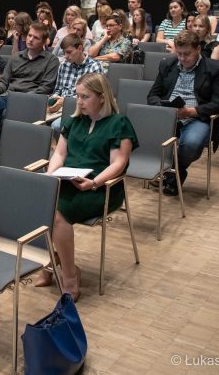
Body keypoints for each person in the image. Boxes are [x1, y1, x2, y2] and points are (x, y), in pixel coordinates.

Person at [42, 73, 138, 300]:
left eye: (85, 97)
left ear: (102, 97)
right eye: (78, 96)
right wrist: (49, 175)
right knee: (34, 201)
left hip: (101, 188)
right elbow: (60, 153)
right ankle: (53, 260)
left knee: (55, 215)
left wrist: (94, 182)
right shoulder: (74, 121)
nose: (80, 102)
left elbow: (119, 163)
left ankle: (69, 276)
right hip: (69, 181)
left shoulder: (118, 123)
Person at [146, 30, 219, 196]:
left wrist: (191, 111)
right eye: (179, 54)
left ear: (198, 49)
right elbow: (152, 95)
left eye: (187, 54)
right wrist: (165, 107)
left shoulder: (214, 68)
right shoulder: (167, 64)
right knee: (145, 135)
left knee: (191, 144)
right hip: (169, 116)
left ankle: (175, 171)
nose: (183, 59)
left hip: (198, 117)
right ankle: (173, 173)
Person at [0, 22, 60, 117]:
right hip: (9, 96)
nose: (30, 40)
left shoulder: (51, 60)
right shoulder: (15, 57)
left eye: (36, 38)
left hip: (31, 99)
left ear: (43, 42)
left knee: (8, 112)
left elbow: (46, 87)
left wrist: (21, 97)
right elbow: (3, 81)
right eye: (29, 35)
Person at [49, 34, 103, 131]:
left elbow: (93, 97)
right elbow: (58, 89)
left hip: (81, 109)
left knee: (56, 126)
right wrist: (54, 99)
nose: (66, 56)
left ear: (80, 48)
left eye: (69, 52)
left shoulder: (94, 67)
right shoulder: (63, 66)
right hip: (60, 108)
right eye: (64, 53)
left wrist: (65, 101)